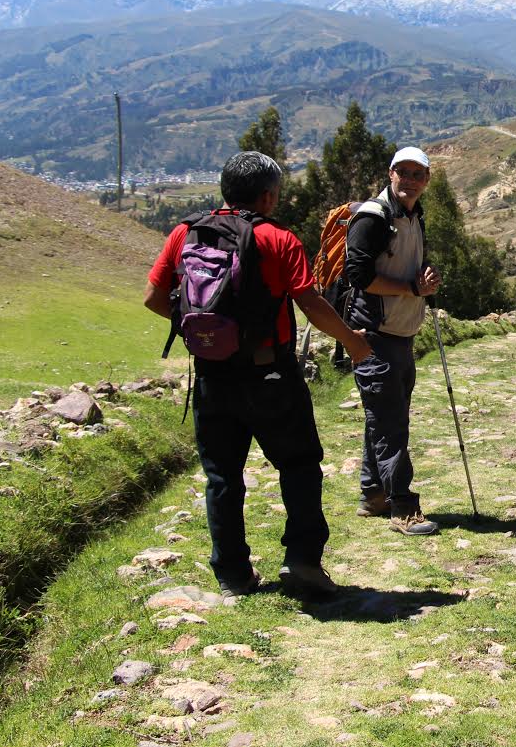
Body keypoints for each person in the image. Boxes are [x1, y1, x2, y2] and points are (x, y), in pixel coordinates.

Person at [143, 151, 373, 598]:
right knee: (300, 466)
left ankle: (232, 575)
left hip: (211, 375)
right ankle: (303, 561)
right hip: (271, 375)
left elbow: (154, 297)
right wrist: (352, 341)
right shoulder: (278, 238)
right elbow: (310, 303)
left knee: (223, 477)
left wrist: (208, 333)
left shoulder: (184, 234)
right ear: (268, 195)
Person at [343, 146, 442, 536]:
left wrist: (424, 282)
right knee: (391, 423)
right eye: (405, 172)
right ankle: (403, 506)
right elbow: (359, 276)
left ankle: (373, 494)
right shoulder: (373, 217)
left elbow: (412, 267)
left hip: (402, 332)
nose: (412, 180)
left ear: (427, 180)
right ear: (391, 173)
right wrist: (412, 288)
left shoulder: (414, 215)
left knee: (383, 417)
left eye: (419, 174)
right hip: (373, 334)